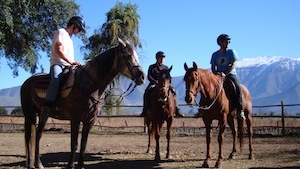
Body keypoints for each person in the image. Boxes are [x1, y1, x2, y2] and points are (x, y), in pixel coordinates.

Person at [43, 16, 85, 109]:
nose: (79, 31)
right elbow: (59, 50)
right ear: (73, 25)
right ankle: (48, 104)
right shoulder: (61, 32)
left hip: (68, 65)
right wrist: (71, 62)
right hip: (58, 64)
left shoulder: (70, 39)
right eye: (79, 28)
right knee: (56, 78)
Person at [200, 34, 245, 120]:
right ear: (220, 43)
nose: (228, 42)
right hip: (218, 76)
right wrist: (216, 73)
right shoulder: (215, 54)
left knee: (237, 86)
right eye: (226, 41)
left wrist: (225, 73)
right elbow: (213, 67)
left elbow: (233, 64)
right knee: (207, 89)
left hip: (230, 74)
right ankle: (202, 107)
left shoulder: (231, 52)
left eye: (228, 41)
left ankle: (240, 109)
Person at [140, 51, 184, 117]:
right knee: (147, 92)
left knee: (174, 91)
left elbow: (169, 77)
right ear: (157, 58)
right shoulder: (152, 67)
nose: (162, 59)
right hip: (154, 83)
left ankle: (177, 109)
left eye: (163, 58)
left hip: (165, 85)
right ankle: (145, 110)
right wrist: (154, 81)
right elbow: (149, 76)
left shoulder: (166, 68)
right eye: (161, 58)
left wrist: (168, 83)